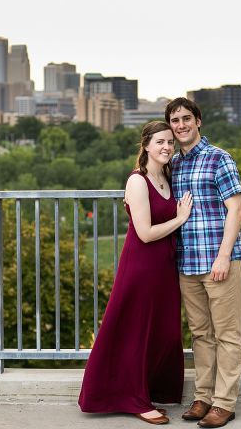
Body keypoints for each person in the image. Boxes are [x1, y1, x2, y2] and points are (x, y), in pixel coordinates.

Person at [79, 121, 194, 425]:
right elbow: (145, 233)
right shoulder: (137, 181)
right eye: (160, 142)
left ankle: (149, 390)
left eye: (170, 142)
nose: (167, 147)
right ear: (145, 145)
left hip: (165, 266)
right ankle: (134, 399)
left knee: (162, 331)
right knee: (135, 331)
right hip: (141, 266)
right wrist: (180, 218)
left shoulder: (167, 176)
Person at [165, 98, 241, 429]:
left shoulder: (218, 158)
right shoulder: (173, 164)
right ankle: (203, 397)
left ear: (198, 121)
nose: (181, 125)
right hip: (187, 263)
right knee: (200, 334)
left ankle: (224, 403)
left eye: (186, 118)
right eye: (175, 120)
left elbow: (236, 208)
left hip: (219, 261)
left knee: (227, 334)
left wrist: (224, 255)